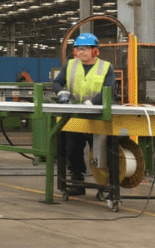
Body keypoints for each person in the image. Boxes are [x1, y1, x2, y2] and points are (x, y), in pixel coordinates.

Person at [53, 32, 115, 196]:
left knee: (101, 150)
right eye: (78, 50)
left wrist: (92, 104)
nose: (80, 53)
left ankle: (106, 183)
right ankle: (77, 182)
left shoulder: (106, 67)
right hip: (75, 116)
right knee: (73, 149)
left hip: (97, 116)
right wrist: (61, 92)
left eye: (84, 49)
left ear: (95, 51)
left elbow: (108, 90)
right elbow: (57, 82)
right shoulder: (70, 65)